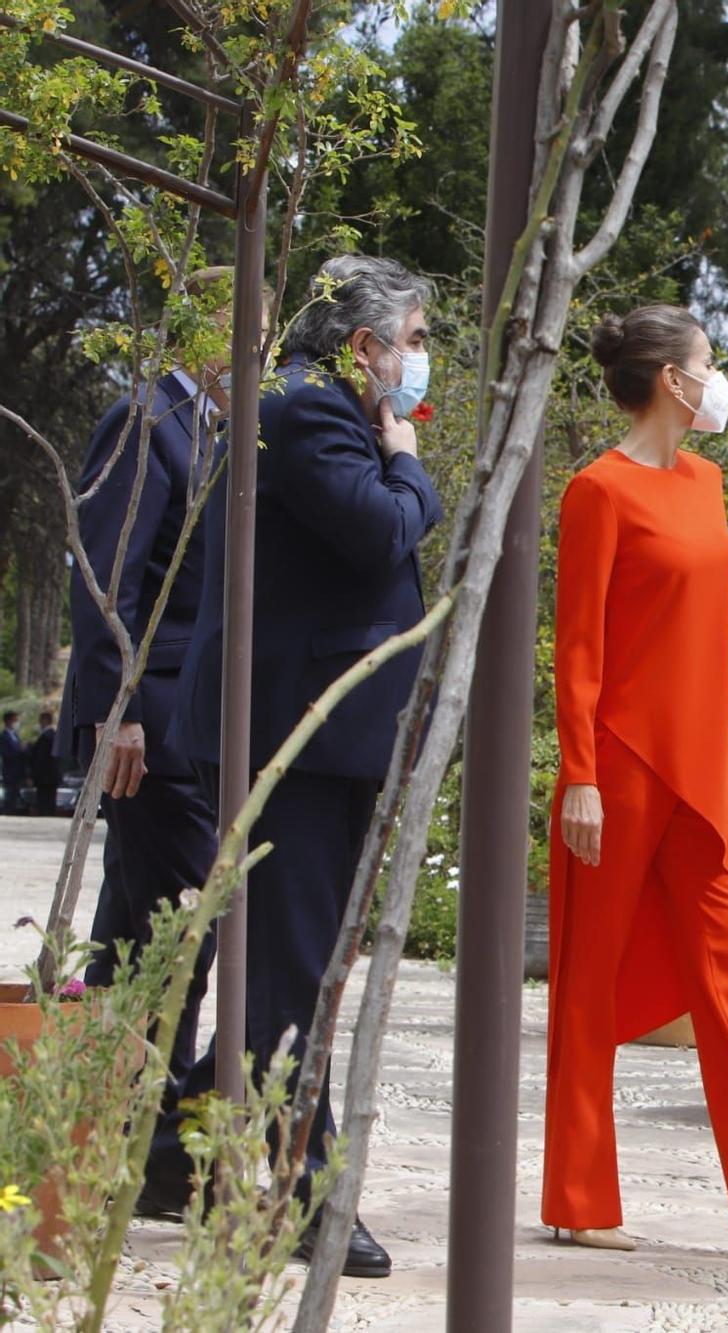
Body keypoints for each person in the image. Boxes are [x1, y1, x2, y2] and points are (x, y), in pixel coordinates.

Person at [162, 254, 445, 1279]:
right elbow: (385, 531)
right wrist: (407, 458)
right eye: (411, 341)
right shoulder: (309, 410)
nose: (420, 364)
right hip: (298, 738)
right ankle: (293, 1191)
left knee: (293, 966)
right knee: (292, 972)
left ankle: (193, 1154)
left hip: (319, 738)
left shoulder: (319, 409)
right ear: (362, 344)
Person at [541, 304, 728, 1254]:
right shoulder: (596, 490)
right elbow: (579, 649)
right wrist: (578, 775)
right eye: (708, 362)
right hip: (619, 772)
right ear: (672, 378)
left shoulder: (706, 483)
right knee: (586, 985)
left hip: (701, 771)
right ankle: (580, 1200)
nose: (718, 377)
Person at [57, 265, 243, 1107]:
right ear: (207, 334)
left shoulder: (214, 433)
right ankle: (152, 1120)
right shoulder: (147, 421)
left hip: (187, 718)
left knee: (134, 925)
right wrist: (116, 711)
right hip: (153, 721)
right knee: (178, 926)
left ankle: (97, 1111)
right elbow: (107, 581)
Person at [28, 712, 59, 816]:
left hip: (44, 777)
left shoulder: (46, 737)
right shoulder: (54, 735)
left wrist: (33, 775)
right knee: (50, 801)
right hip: (52, 776)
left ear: (44, 720)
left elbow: (40, 760)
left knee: (45, 802)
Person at [0, 712, 25, 815]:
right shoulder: (3, 736)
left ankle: (13, 812)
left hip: (17, 771)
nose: (16, 723)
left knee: (15, 795)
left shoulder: (15, 735)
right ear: (8, 721)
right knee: (9, 795)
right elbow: (6, 753)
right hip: (9, 771)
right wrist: (19, 750)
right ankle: (7, 813)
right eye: (15, 720)